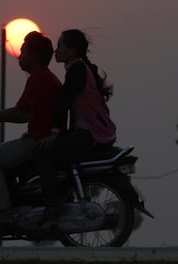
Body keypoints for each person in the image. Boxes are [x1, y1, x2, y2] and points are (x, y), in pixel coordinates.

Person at [0, 31, 62, 225]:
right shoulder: (45, 77)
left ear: (35, 55)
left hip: (36, 140)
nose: (19, 56)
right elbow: (26, 115)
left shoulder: (39, 78)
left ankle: (5, 211)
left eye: (24, 52)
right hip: (37, 137)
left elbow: (19, 112)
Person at [35, 29, 116, 212]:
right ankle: (65, 195)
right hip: (92, 133)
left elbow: (62, 103)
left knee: (41, 151)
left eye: (60, 46)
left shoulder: (77, 71)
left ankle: (52, 203)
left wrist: (54, 134)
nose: (56, 51)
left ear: (71, 50)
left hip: (88, 134)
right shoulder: (82, 69)